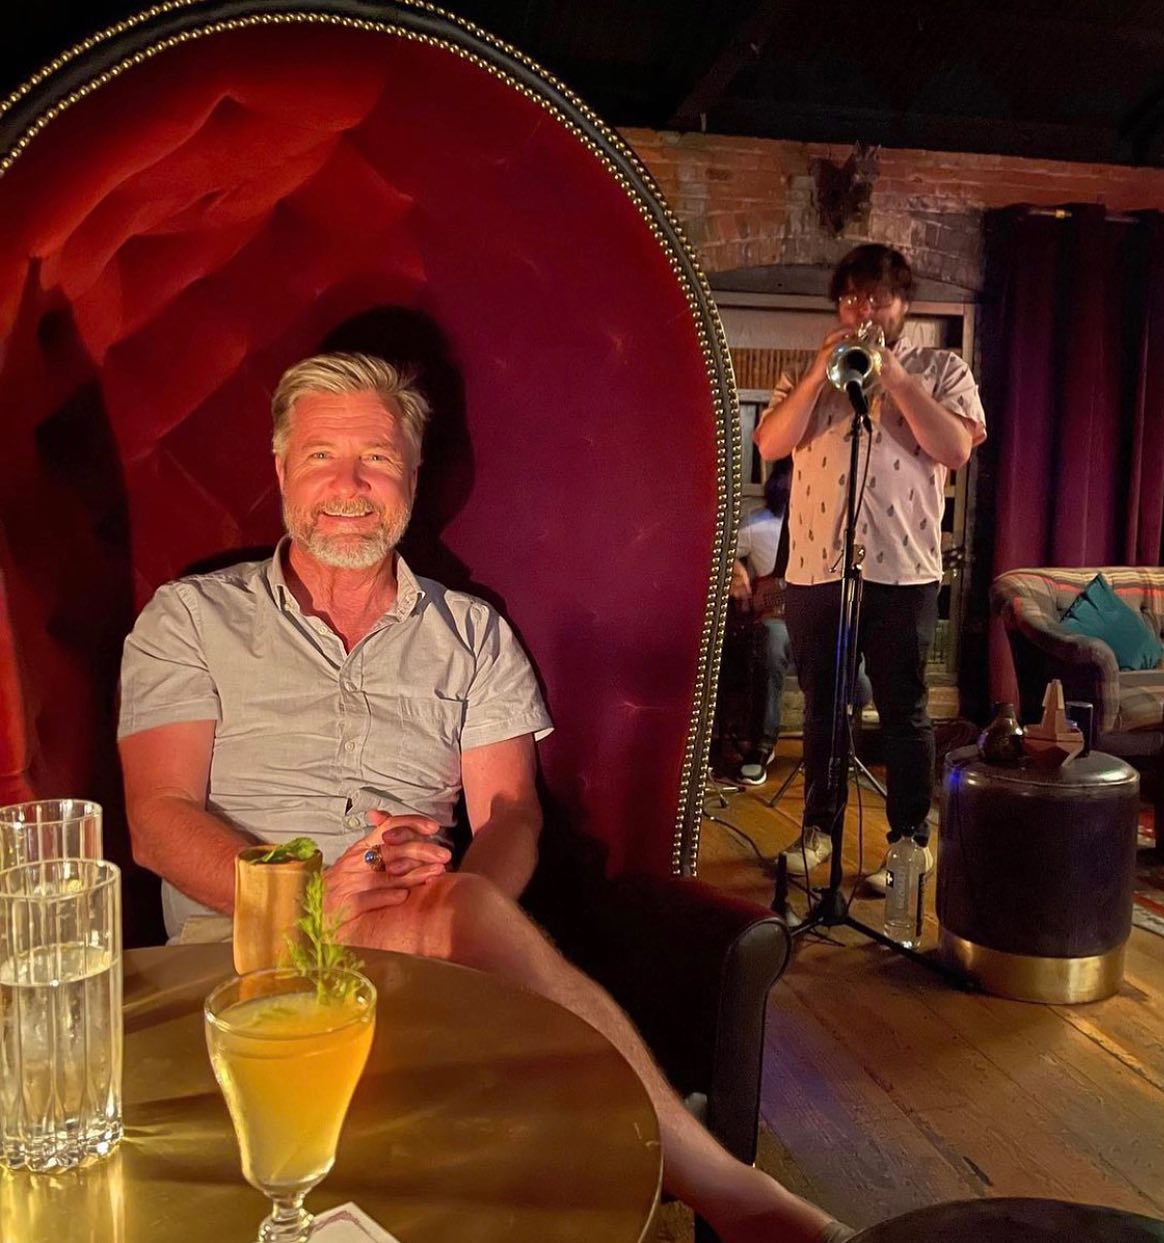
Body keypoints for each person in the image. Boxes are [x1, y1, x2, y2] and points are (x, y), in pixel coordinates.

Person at [118, 352, 854, 1243]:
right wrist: (307, 894)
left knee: (467, 912)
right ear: (280, 469)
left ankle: (726, 1198)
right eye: (320, 457)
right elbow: (158, 818)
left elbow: (511, 814)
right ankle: (743, 1201)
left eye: (376, 458)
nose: (349, 485)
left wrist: (459, 900)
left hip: (418, 937)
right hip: (239, 953)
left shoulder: (471, 632)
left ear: (412, 475)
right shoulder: (189, 618)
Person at [752, 245, 986, 891]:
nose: (865, 310)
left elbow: (954, 448)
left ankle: (908, 841)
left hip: (903, 570)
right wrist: (814, 377)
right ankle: (818, 831)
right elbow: (769, 443)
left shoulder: (942, 368)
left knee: (903, 709)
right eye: (853, 298)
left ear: (902, 306)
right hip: (817, 568)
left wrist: (899, 381)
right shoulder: (812, 373)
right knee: (824, 708)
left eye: (879, 298)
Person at [725, 462, 793, 786]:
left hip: (818, 622)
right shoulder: (760, 525)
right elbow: (718, 549)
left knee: (858, 676)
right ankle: (760, 746)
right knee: (772, 635)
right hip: (777, 621)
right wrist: (736, 569)